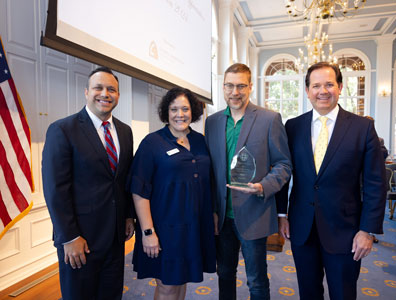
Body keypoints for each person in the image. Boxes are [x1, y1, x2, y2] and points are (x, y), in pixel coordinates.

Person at [276, 62, 386, 300]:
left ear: (340, 87)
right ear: (307, 91)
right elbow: (284, 173)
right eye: (316, 85)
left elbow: (376, 184)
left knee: (343, 293)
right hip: (302, 228)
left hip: (345, 231)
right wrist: (282, 215)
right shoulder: (293, 126)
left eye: (329, 84)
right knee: (308, 292)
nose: (322, 91)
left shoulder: (363, 128)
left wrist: (367, 230)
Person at [42, 67, 134, 300]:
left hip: (114, 238)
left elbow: (123, 180)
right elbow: (55, 190)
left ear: (118, 96)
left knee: (111, 295)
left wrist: (127, 216)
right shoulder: (63, 130)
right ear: (86, 92)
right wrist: (69, 237)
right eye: (98, 88)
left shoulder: (125, 131)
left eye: (111, 89)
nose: (105, 93)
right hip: (80, 240)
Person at [205, 63, 292, 300]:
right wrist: (211, 209)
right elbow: (211, 170)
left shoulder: (269, 119)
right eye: (230, 86)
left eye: (241, 85)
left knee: (256, 280)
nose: (235, 92)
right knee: (224, 273)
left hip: (254, 212)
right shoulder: (211, 122)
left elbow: (284, 164)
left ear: (250, 86)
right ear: (223, 87)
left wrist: (264, 186)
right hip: (222, 217)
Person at [127, 87, 216, 300]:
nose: (180, 114)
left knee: (181, 281)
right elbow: (139, 190)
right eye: (174, 109)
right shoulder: (152, 143)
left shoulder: (200, 141)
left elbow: (207, 183)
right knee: (167, 285)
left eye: (185, 109)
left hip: (193, 228)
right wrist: (148, 233)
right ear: (166, 112)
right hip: (164, 229)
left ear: (192, 111)